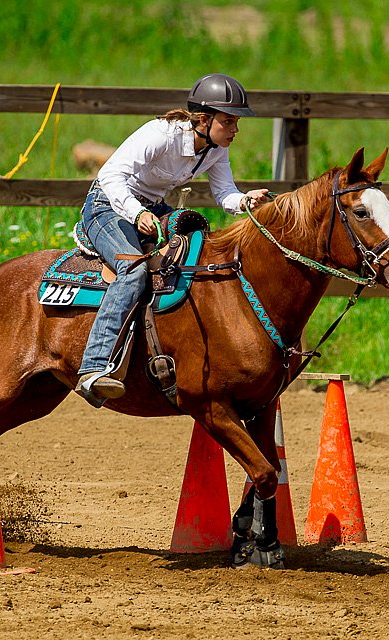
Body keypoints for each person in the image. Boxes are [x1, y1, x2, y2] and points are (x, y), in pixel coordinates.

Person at [76, 73, 269, 403]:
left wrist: (245, 201)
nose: (235, 129)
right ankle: (93, 367)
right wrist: (137, 214)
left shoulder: (214, 148)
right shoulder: (159, 134)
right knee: (133, 270)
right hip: (107, 205)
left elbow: (224, 193)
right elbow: (110, 176)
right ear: (204, 119)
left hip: (151, 207)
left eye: (237, 122)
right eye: (229, 121)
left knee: (199, 250)